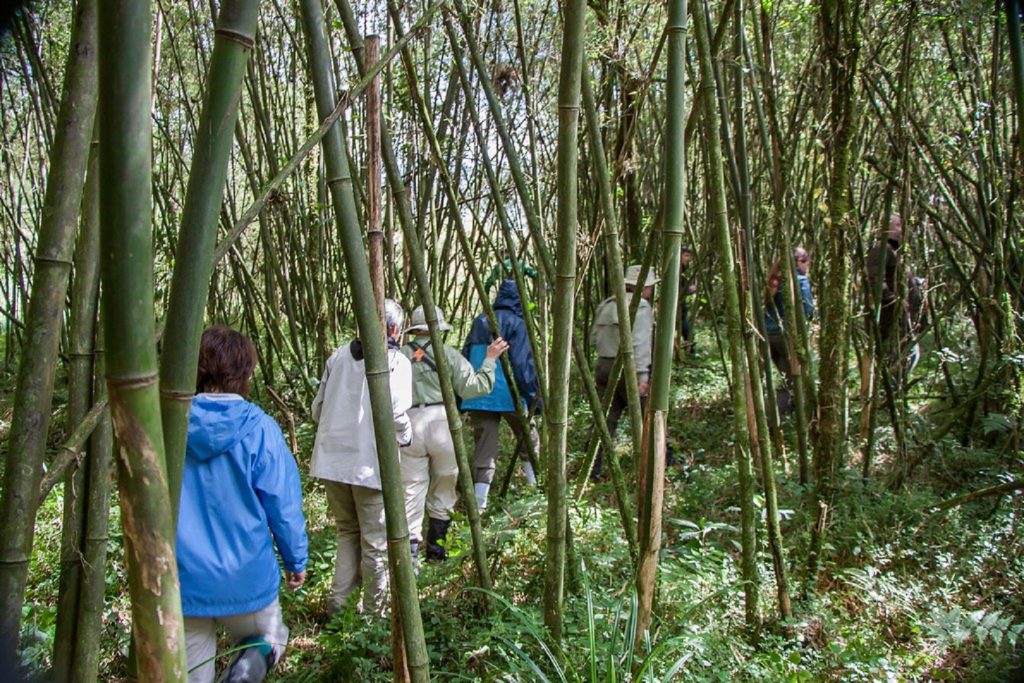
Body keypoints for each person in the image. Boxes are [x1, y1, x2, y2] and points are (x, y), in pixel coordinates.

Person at [177, 326, 308, 683]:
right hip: (246, 578)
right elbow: (282, 504)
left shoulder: (168, 423)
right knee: (271, 635)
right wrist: (295, 560)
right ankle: (245, 672)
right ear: (245, 372)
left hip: (183, 579)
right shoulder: (260, 428)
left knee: (190, 672)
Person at [310, 299, 412, 615]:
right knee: (375, 544)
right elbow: (396, 413)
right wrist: (406, 435)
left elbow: (317, 411)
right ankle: (372, 617)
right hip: (369, 465)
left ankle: (338, 609)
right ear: (395, 329)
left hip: (332, 462)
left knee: (347, 533)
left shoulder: (338, 356)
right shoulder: (396, 362)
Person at [400, 305, 508, 560]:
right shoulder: (448, 354)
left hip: (407, 424)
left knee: (411, 491)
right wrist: (490, 360)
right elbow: (474, 388)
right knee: (445, 485)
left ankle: (410, 559)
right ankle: (437, 553)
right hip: (441, 423)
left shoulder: (398, 356)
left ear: (415, 330)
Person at [461, 279, 541, 511]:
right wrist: (536, 398)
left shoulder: (479, 321)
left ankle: (479, 504)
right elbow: (522, 364)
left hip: (479, 394)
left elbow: (466, 358)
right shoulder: (517, 323)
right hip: (509, 395)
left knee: (485, 446)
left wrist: (462, 396)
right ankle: (534, 489)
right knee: (529, 437)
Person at [589, 264, 656, 479]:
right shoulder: (642, 307)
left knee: (605, 419)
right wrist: (643, 376)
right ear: (642, 287)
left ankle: (593, 468)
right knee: (649, 417)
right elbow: (640, 343)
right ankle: (658, 464)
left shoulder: (606, 304)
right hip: (630, 369)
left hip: (603, 366)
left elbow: (592, 339)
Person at [865, 215, 923, 379]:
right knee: (899, 358)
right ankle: (888, 395)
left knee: (908, 355)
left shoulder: (895, 251)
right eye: (897, 225)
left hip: (901, 319)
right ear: (886, 228)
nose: (901, 229)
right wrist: (894, 300)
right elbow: (875, 280)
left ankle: (894, 394)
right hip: (890, 319)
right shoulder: (880, 249)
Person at [764, 247, 815, 415]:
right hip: (786, 336)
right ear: (799, 262)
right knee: (789, 379)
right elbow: (808, 311)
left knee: (788, 376)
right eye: (806, 261)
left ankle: (791, 409)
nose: (808, 265)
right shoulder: (799, 281)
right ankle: (771, 419)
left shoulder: (774, 279)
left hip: (768, 335)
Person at [677, 246, 698, 358]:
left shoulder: (681, 271)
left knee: (687, 333)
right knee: (688, 333)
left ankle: (688, 355)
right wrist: (688, 290)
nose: (688, 259)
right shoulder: (675, 269)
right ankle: (690, 355)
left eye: (689, 256)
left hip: (681, 310)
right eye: (686, 256)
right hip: (675, 310)